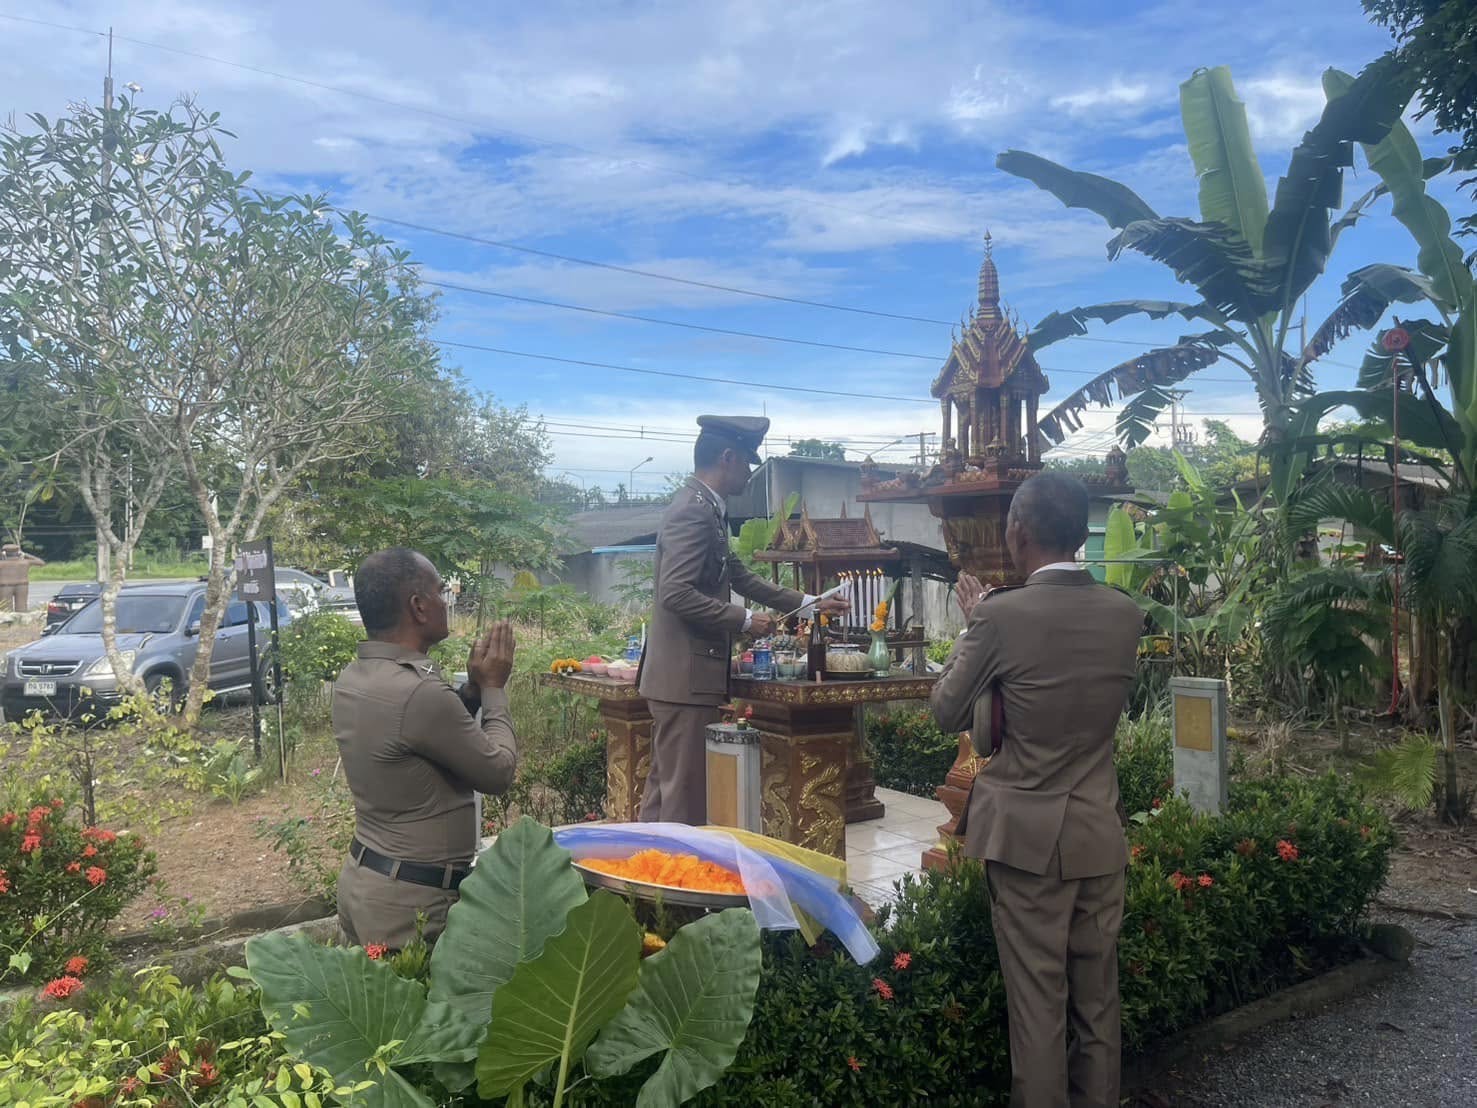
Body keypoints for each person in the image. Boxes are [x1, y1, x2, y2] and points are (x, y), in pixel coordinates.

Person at [929, 472, 1141, 1108]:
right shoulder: (1124, 614)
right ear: (1080, 535)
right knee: (1098, 1008)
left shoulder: (999, 616)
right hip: (1098, 832)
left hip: (1026, 844)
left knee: (1038, 1011)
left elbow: (945, 710)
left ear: (1017, 532)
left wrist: (973, 629)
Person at [637, 414, 848, 824]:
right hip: (684, 681)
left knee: (667, 794)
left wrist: (810, 603)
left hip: (684, 680)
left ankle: (647, 867)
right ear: (727, 458)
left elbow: (740, 576)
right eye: (748, 462)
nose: (750, 474)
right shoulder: (693, 512)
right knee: (683, 802)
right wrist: (745, 620)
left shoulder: (706, 509)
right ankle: (672, 867)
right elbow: (675, 593)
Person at [334, 547, 517, 950]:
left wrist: (471, 691)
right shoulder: (419, 693)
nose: (446, 600)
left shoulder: (355, 677)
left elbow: (422, 735)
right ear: (418, 606)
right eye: (441, 591)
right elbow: (499, 772)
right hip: (409, 907)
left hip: (367, 882)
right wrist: (493, 689)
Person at [0, 543, 45, 613]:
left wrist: (1, 555)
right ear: (18, 553)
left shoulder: (1, 563)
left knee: (6, 610)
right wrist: (25, 554)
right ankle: (21, 619)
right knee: (22, 608)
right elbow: (41, 562)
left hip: (5, 586)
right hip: (22, 586)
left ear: (5, 553)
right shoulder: (25, 562)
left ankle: (8, 620)